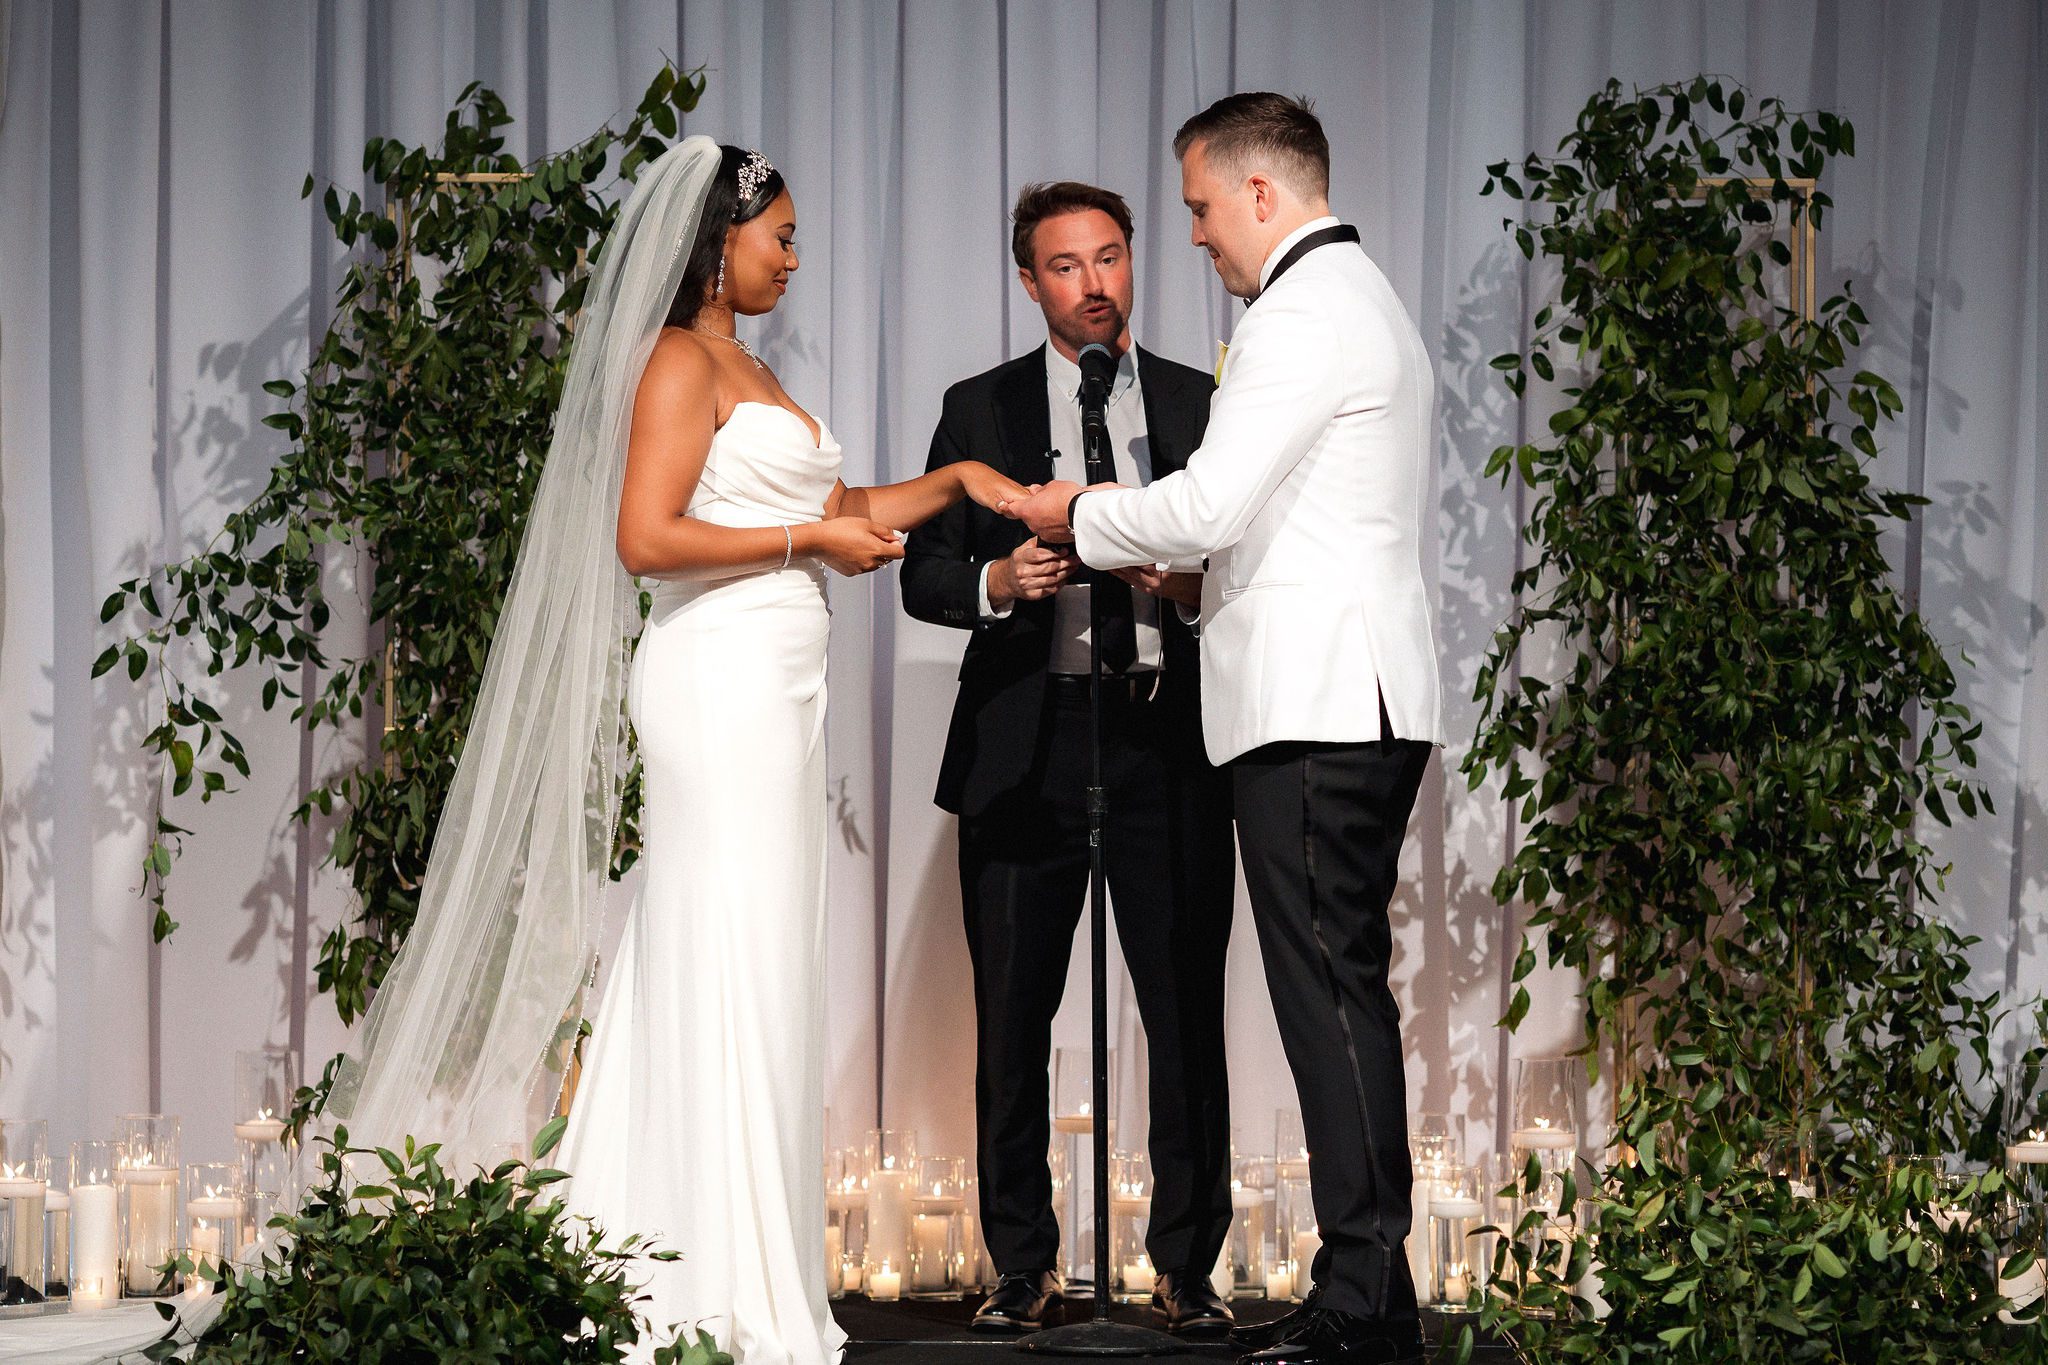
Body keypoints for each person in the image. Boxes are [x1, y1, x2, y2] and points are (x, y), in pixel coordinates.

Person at [324, 136, 1027, 1365]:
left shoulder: (742, 363)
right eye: (781, 237)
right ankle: (692, 1263)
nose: (795, 259)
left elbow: (837, 507)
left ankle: (722, 1248)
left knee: (755, 952)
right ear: (716, 247)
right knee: (722, 940)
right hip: (716, 684)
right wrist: (807, 544)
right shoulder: (670, 361)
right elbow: (645, 539)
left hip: (776, 684)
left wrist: (954, 481)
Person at [1006, 94, 1444, 1365]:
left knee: (1327, 997)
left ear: (1261, 194)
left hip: (1318, 704)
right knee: (1335, 989)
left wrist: (1070, 511)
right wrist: (1186, 572)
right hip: (1340, 692)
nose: (1194, 236)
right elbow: (1274, 525)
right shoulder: (1357, 296)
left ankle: (1360, 1298)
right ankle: (1376, 1293)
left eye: (1198, 209)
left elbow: (1203, 503)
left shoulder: (1303, 309)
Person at [900, 182, 1237, 1338]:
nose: (1093, 283)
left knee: (1185, 1011)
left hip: (1165, 738)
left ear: (1133, 263)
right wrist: (997, 583)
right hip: (1024, 746)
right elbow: (921, 572)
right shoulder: (979, 407)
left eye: (1109, 258)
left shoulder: (1200, 402)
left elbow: (1247, 560)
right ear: (1027, 280)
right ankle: (1021, 1266)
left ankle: (1186, 1273)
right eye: (1064, 265)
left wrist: (1181, 580)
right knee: (1012, 1018)